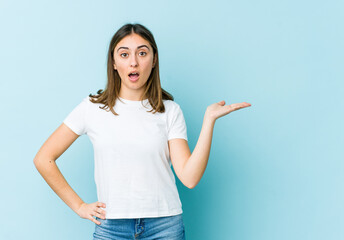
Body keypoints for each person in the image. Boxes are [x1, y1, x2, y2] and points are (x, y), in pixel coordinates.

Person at [33, 23, 251, 240]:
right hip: (111, 228)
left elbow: (190, 177)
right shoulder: (92, 108)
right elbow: (44, 159)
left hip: (165, 227)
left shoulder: (170, 111)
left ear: (154, 60)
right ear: (114, 62)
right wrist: (79, 206)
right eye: (124, 54)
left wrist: (209, 120)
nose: (134, 62)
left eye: (142, 53)